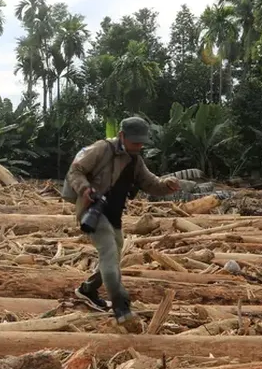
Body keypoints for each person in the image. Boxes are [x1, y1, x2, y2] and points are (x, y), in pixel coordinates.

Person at [62, 116, 180, 324]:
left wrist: (166, 185)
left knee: (113, 257)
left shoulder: (135, 159)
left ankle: (87, 290)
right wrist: (84, 188)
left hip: (114, 214)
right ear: (122, 136)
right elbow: (76, 170)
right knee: (108, 250)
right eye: (135, 141)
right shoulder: (101, 149)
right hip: (94, 211)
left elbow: (150, 183)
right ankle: (120, 306)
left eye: (141, 142)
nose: (138, 146)